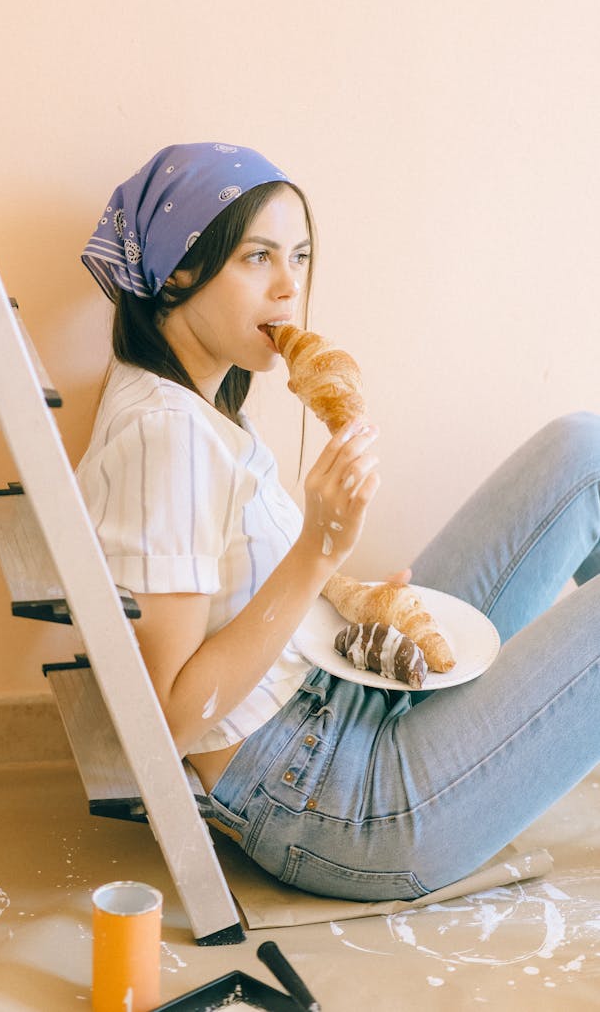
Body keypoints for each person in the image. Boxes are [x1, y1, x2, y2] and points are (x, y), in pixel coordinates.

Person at [76, 142, 600, 901]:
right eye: (258, 257)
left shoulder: (196, 407)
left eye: (300, 255)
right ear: (178, 271)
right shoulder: (168, 440)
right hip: (335, 799)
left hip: (341, 696)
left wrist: (346, 591)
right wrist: (316, 554)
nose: (291, 287)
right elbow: (167, 724)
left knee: (581, 452)